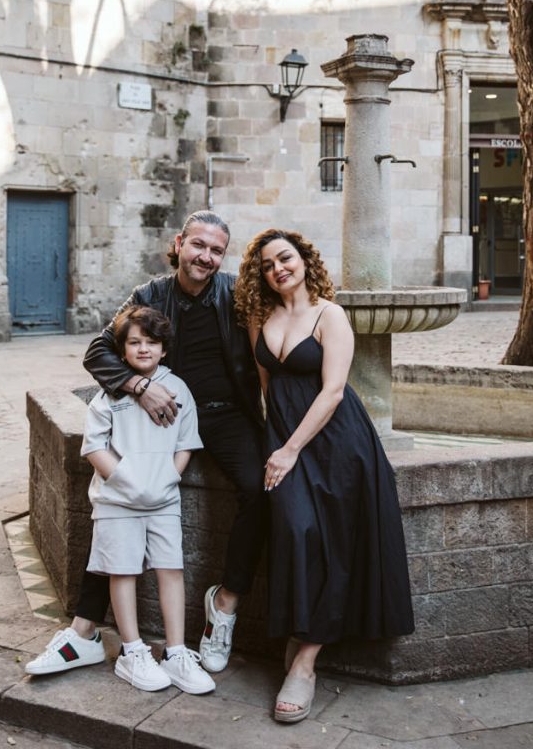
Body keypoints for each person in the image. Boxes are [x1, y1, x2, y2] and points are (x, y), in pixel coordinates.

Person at [25, 211, 266, 677]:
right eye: (199, 245)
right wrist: (139, 386)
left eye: (217, 250)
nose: (206, 257)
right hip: (158, 416)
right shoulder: (150, 295)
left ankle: (225, 607)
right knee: (116, 499)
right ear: (179, 243)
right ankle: (84, 631)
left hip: (223, 416)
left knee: (259, 489)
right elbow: (98, 350)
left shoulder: (235, 293)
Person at [234, 228, 414, 724]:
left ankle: (306, 662)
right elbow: (267, 388)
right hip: (285, 438)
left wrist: (290, 450)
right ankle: (299, 630)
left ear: (304, 260)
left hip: (336, 443)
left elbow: (333, 391)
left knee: (330, 536)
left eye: (285, 258)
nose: (278, 269)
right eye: (268, 264)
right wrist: (273, 444)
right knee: (294, 527)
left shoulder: (329, 315)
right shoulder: (258, 317)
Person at [80, 305, 214, 694]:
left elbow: (186, 442)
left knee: (171, 569)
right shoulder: (108, 394)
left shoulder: (178, 389)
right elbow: (93, 447)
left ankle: (175, 652)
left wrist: (168, 478)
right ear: (121, 351)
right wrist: (126, 481)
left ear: (164, 349)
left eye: (151, 343)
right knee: (122, 571)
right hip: (117, 503)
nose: (142, 350)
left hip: (163, 501)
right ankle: (132, 652)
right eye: (134, 343)